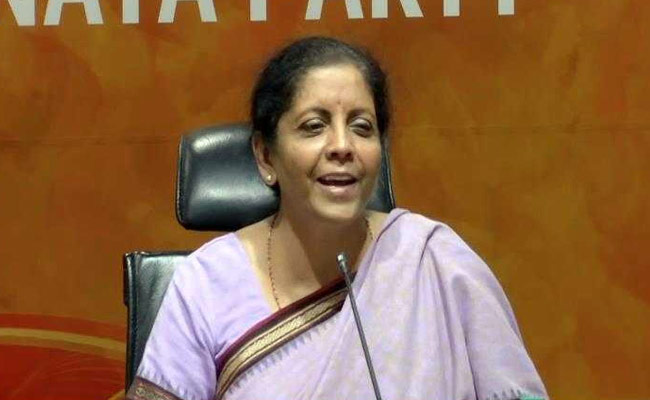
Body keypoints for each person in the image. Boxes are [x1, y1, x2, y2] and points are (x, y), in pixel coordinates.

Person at [126, 37, 548, 400]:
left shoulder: (434, 261)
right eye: (314, 126)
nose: (343, 146)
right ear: (266, 155)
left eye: (362, 127)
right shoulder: (206, 284)